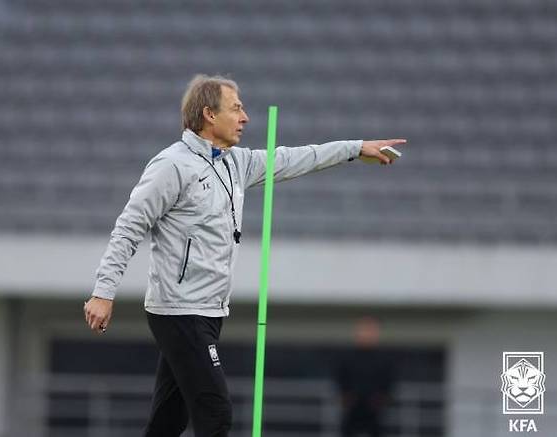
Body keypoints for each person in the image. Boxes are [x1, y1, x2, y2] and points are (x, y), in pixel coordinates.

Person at [84, 74, 406, 437]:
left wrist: (355, 147)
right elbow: (129, 226)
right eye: (236, 108)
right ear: (208, 114)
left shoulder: (235, 162)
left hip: (209, 312)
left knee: (168, 421)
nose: (245, 117)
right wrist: (103, 291)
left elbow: (297, 158)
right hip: (179, 312)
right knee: (215, 413)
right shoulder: (171, 166)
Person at [335, 317, 396, 437]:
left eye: (370, 330)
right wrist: (345, 396)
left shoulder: (384, 358)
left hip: (374, 407)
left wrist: (382, 398)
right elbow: (340, 377)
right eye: (364, 330)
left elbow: (389, 380)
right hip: (353, 406)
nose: (367, 334)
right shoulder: (348, 357)